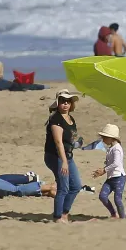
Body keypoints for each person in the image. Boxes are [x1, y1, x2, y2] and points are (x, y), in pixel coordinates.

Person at [44, 89, 83, 223]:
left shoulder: (70, 118)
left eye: (68, 101)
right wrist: (64, 162)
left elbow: (69, 139)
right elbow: (58, 142)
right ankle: (57, 217)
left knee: (76, 185)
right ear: (58, 103)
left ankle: (64, 213)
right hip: (56, 157)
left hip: (67, 156)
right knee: (63, 187)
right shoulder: (55, 119)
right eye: (62, 101)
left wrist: (76, 144)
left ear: (71, 104)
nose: (65, 104)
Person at [92, 124, 126, 219]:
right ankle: (114, 214)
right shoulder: (111, 148)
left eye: (105, 137)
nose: (103, 140)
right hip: (111, 177)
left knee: (117, 199)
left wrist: (104, 170)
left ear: (111, 138)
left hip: (119, 177)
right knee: (103, 196)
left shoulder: (117, 148)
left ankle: (123, 219)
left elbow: (116, 163)